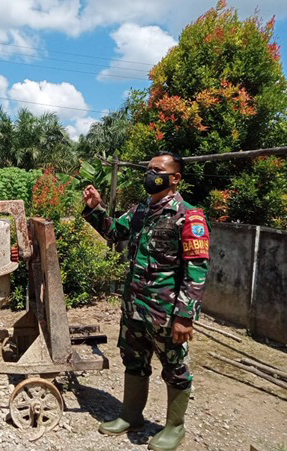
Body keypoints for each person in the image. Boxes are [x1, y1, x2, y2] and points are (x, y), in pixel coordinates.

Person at [82, 152, 210, 451]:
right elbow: (114, 232)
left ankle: (175, 427)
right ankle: (131, 415)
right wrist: (95, 208)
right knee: (134, 361)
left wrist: (185, 316)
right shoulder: (140, 211)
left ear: (175, 178)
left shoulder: (188, 216)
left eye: (157, 170)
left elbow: (197, 270)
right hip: (134, 307)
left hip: (165, 311)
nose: (150, 174)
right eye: (148, 169)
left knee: (175, 367)